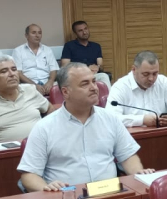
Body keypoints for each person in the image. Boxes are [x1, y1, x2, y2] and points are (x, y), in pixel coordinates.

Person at [18, 64, 151, 191]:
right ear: (65, 92)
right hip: (67, 198)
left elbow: (127, 156)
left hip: (110, 195)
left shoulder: (110, 118)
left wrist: (138, 173)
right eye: (85, 84)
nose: (94, 88)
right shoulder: (44, 127)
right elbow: (29, 175)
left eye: (94, 81)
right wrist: (45, 188)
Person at [105, 51, 167, 128]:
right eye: (146, 74)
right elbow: (110, 119)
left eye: (155, 73)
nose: (151, 78)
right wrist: (142, 120)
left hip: (161, 133)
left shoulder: (163, 82)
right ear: (134, 70)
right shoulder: (120, 87)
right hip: (132, 136)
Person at [60, 20, 110, 87]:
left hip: (93, 74)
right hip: (77, 76)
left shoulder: (96, 46)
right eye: (80, 31)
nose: (84, 32)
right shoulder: (69, 46)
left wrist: (97, 67)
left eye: (85, 29)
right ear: (75, 33)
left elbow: (101, 65)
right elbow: (64, 66)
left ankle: (108, 94)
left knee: (104, 76)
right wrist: (86, 68)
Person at [13, 24, 59, 96]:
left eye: (39, 33)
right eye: (33, 33)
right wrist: (34, 85)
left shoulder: (47, 50)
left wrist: (50, 82)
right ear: (26, 35)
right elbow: (18, 73)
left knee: (61, 87)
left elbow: (54, 69)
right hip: (28, 84)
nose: (37, 35)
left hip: (47, 82)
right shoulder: (18, 51)